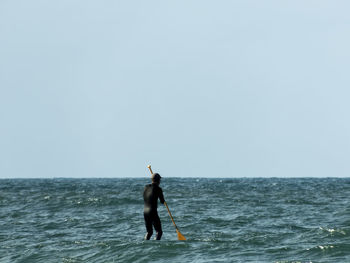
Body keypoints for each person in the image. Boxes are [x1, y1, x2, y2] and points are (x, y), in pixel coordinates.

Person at [143, 173, 165, 240]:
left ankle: (145, 243)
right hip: (152, 211)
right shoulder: (158, 189)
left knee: (149, 232)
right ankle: (156, 245)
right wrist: (163, 201)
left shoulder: (146, 187)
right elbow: (162, 201)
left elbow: (145, 197)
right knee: (159, 232)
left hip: (145, 211)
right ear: (158, 180)